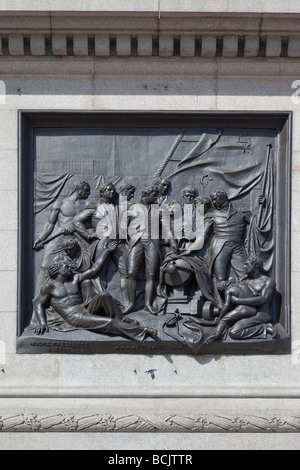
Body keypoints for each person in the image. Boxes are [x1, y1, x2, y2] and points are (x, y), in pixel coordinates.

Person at [33, 241, 157, 342]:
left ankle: (121, 319)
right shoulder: (50, 287)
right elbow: (38, 304)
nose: (69, 268)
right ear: (59, 270)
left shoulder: (75, 279)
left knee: (104, 294)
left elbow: (94, 269)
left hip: (86, 310)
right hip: (75, 317)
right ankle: (143, 330)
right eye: (66, 267)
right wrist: (42, 323)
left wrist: (107, 252)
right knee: (109, 322)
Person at [33, 181, 92, 294]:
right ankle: (38, 297)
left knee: (78, 269)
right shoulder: (59, 203)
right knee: (45, 266)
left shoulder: (87, 205)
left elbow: (92, 223)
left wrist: (74, 227)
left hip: (77, 239)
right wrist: (41, 238)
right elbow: (50, 224)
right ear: (79, 190)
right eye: (86, 190)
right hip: (59, 237)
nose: (88, 193)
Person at [205, 255, 277, 344]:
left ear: (255, 266)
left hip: (261, 314)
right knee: (229, 324)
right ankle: (219, 332)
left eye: (246, 264)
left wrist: (237, 300)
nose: (244, 267)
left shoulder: (268, 281)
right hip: (244, 312)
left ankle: (264, 328)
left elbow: (262, 299)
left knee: (234, 332)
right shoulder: (245, 280)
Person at [203, 189, 254, 304]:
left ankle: (245, 301)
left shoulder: (242, 212)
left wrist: (264, 207)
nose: (214, 203)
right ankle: (221, 305)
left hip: (238, 247)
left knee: (245, 274)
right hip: (219, 247)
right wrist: (189, 246)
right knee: (220, 279)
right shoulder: (211, 215)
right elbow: (204, 235)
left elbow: (257, 223)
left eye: (215, 199)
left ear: (222, 197)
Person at [123, 186, 161, 315]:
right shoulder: (132, 207)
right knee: (131, 272)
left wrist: (172, 240)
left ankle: (148, 304)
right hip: (136, 242)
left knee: (151, 275)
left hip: (152, 243)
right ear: (147, 193)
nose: (156, 198)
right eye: (154, 195)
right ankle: (131, 304)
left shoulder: (157, 210)